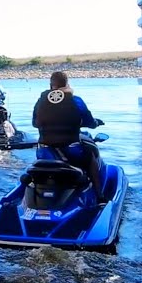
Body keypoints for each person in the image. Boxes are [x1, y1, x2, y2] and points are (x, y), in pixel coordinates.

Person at [31, 70, 106, 198]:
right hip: (72, 151)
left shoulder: (40, 101)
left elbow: (34, 123)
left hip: (44, 152)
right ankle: (100, 196)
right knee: (90, 155)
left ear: (50, 85)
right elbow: (89, 122)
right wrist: (96, 123)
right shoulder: (76, 100)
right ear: (67, 83)